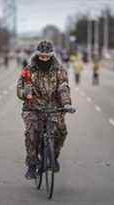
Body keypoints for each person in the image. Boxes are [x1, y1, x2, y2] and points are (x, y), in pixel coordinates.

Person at [17, 40, 72, 180]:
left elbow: (63, 87)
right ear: (37, 55)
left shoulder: (59, 69)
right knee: (31, 133)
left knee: (61, 130)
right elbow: (20, 88)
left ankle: (53, 156)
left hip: (54, 107)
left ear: (51, 55)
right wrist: (25, 93)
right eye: (41, 56)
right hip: (33, 107)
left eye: (47, 56)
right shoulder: (29, 70)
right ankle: (32, 165)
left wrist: (66, 104)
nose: (44, 59)